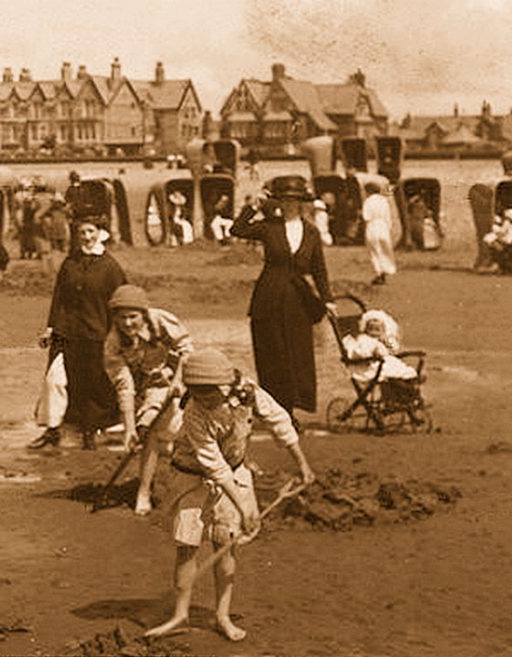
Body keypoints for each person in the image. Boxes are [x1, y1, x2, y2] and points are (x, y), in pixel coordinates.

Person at [144, 348, 315, 642]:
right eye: (198, 393)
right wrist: (244, 508)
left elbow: (279, 422)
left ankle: (222, 615)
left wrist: (302, 464)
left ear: (224, 384)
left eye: (209, 394)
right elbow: (215, 466)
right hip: (191, 477)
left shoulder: (248, 392)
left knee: (225, 544)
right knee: (187, 547)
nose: (205, 400)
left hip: (236, 472)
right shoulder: (193, 413)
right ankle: (180, 615)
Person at [230, 176, 335, 427]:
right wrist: (254, 206)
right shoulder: (269, 227)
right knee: (272, 355)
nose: (289, 205)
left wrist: (328, 299)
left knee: (296, 356)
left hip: (299, 301)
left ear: (302, 203)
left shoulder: (311, 231)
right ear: (278, 202)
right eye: (285, 200)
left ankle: (290, 411)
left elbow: (319, 269)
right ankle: (278, 411)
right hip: (269, 298)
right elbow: (237, 229)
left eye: (294, 200)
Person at [103, 284, 192, 515]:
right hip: (149, 386)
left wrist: (178, 381)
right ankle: (143, 491)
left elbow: (186, 349)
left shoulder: (161, 320)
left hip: (182, 377)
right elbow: (125, 387)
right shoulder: (113, 343)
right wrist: (129, 429)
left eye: (133, 317)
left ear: (143, 313)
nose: (128, 323)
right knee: (148, 431)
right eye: (122, 318)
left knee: (189, 433)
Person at [40, 217, 126, 448]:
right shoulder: (70, 263)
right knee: (54, 379)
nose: (86, 237)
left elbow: (120, 303)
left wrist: (116, 335)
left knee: (91, 384)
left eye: (90, 232)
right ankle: (52, 428)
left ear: (100, 233)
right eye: (82, 233)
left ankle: (90, 431)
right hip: (66, 333)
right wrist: (50, 327)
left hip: (96, 334)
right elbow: (59, 296)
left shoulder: (110, 267)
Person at [341, 309, 419, 386]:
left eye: (378, 329)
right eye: (371, 329)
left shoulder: (384, 339)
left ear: (383, 329)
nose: (374, 332)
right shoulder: (364, 339)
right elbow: (359, 352)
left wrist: (386, 341)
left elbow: (394, 350)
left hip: (386, 362)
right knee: (390, 371)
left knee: (399, 368)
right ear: (365, 329)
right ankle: (405, 384)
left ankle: (409, 382)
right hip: (369, 366)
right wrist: (372, 352)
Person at [362, 182, 396, 285]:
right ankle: (387, 270)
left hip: (372, 225)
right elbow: (388, 217)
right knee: (385, 250)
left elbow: (366, 216)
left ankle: (378, 272)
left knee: (374, 251)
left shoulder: (367, 201)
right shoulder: (384, 201)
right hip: (383, 226)